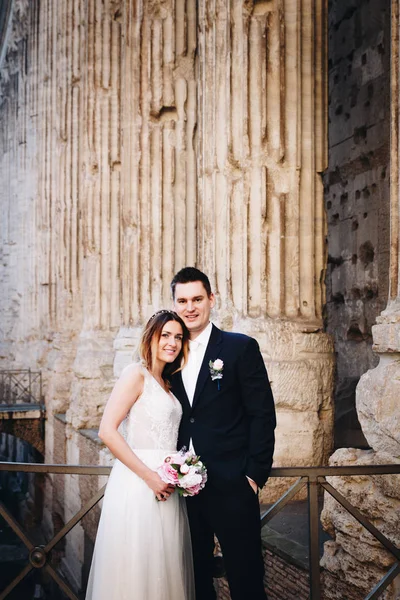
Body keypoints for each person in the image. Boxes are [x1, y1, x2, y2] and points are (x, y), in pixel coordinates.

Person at [170, 267, 276, 600]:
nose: (190, 307)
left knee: (246, 577)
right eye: (183, 300)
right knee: (195, 579)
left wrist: (255, 475)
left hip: (233, 485)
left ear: (211, 300)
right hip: (182, 492)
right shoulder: (168, 355)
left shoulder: (239, 348)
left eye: (197, 299)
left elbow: (262, 414)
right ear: (174, 304)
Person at [85, 310, 195, 600]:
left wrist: (183, 470)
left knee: (164, 564)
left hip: (168, 486)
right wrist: (150, 477)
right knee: (137, 565)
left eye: (178, 337)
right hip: (139, 483)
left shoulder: (169, 382)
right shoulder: (136, 373)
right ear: (151, 337)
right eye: (166, 335)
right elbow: (107, 431)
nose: (172, 342)